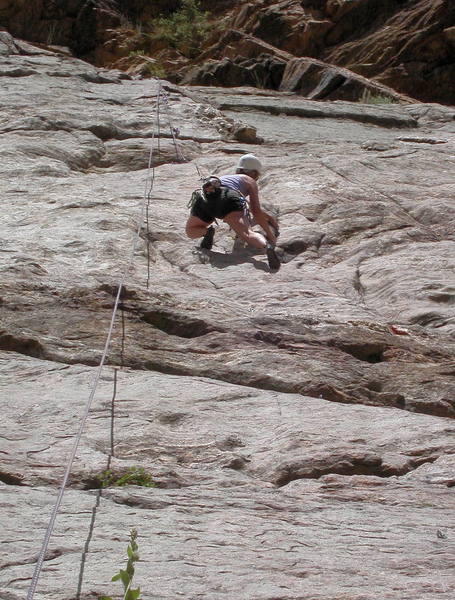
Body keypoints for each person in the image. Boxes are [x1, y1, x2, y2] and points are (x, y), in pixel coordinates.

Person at [185, 154, 281, 271]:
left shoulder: (225, 178)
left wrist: (269, 217)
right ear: (254, 173)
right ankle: (267, 247)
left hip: (206, 198)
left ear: (238, 170)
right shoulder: (249, 180)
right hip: (229, 200)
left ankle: (207, 232)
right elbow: (255, 210)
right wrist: (270, 235)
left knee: (191, 230)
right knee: (248, 234)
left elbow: (251, 208)